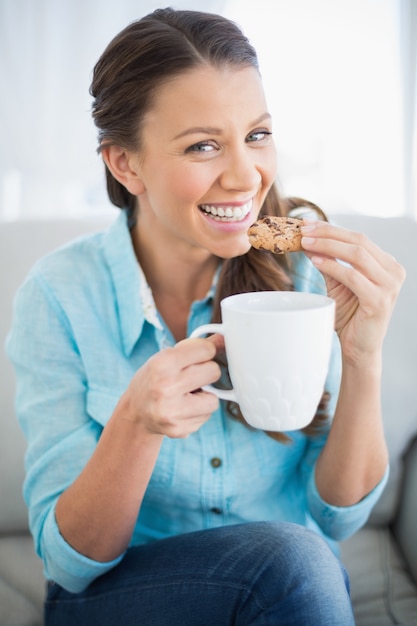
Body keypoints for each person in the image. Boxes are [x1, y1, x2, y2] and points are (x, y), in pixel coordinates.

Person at [6, 7, 405, 625]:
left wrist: (363, 355)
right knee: (292, 560)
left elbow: (339, 516)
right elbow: (72, 565)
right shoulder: (58, 295)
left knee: (296, 560)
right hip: (125, 595)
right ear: (125, 164)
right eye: (202, 145)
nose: (246, 176)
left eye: (258, 134)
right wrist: (136, 424)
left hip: (290, 595)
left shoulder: (304, 273)